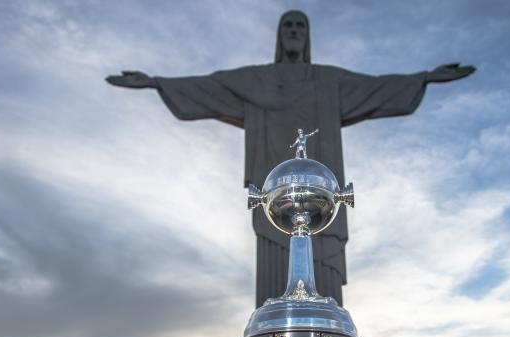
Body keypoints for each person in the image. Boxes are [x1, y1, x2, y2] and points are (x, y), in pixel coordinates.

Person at [107, 10, 475, 307]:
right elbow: (209, 86)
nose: (295, 31)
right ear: (279, 36)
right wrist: (156, 82)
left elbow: (376, 86)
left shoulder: (328, 80)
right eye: (288, 26)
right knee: (272, 273)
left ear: (308, 36)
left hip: (323, 194)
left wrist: (425, 78)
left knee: (323, 275)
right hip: (273, 193)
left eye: (301, 25)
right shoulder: (257, 80)